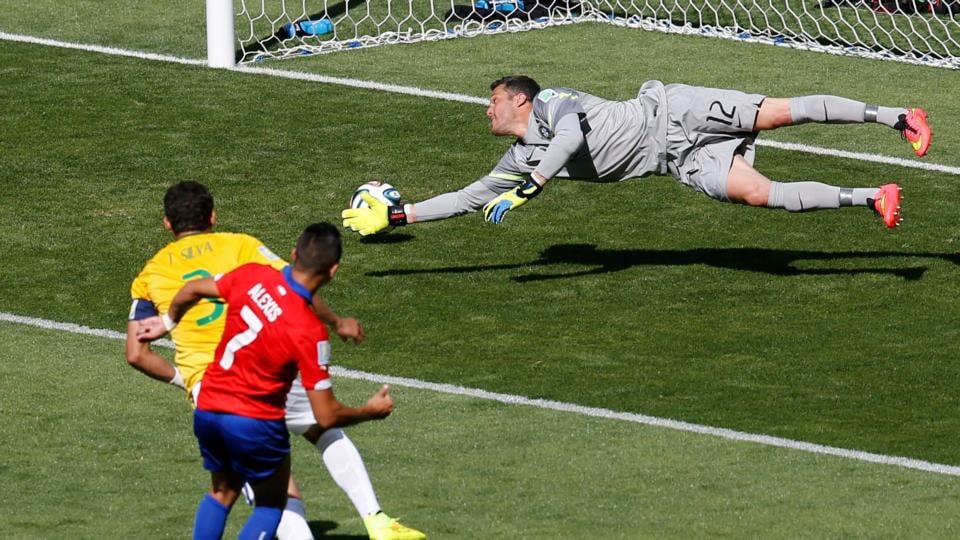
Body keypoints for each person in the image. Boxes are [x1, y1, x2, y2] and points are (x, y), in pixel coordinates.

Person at [126, 181, 425, 540]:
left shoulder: (150, 274)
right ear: (213, 216)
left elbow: (136, 353)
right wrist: (336, 322)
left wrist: (186, 378)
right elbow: (294, 287)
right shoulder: (241, 247)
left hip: (211, 389)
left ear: (167, 224)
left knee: (236, 492)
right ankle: (376, 519)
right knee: (321, 432)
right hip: (270, 364)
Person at [341, 75, 932, 235]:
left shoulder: (552, 103)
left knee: (777, 111)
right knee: (757, 194)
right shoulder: (516, 163)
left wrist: (537, 184)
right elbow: (469, 198)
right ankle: (874, 197)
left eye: (493, 100)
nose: (487, 110)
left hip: (673, 112)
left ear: (519, 98)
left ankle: (897, 116)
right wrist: (401, 215)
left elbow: (571, 139)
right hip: (676, 162)